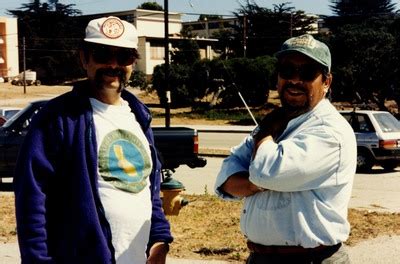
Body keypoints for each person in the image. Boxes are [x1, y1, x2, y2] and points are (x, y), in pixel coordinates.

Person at [14, 16, 172, 264]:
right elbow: (32, 198)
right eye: (102, 54)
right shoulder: (58, 118)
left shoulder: (139, 116)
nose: (113, 65)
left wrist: (160, 238)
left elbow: (148, 189)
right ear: (84, 59)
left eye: (123, 57)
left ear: (133, 63)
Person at [214, 34, 357, 264]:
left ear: (327, 81)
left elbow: (266, 173)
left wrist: (263, 139)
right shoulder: (278, 123)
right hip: (260, 257)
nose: (295, 80)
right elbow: (226, 178)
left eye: (308, 72)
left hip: (311, 259)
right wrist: (254, 183)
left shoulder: (329, 131)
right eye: (287, 71)